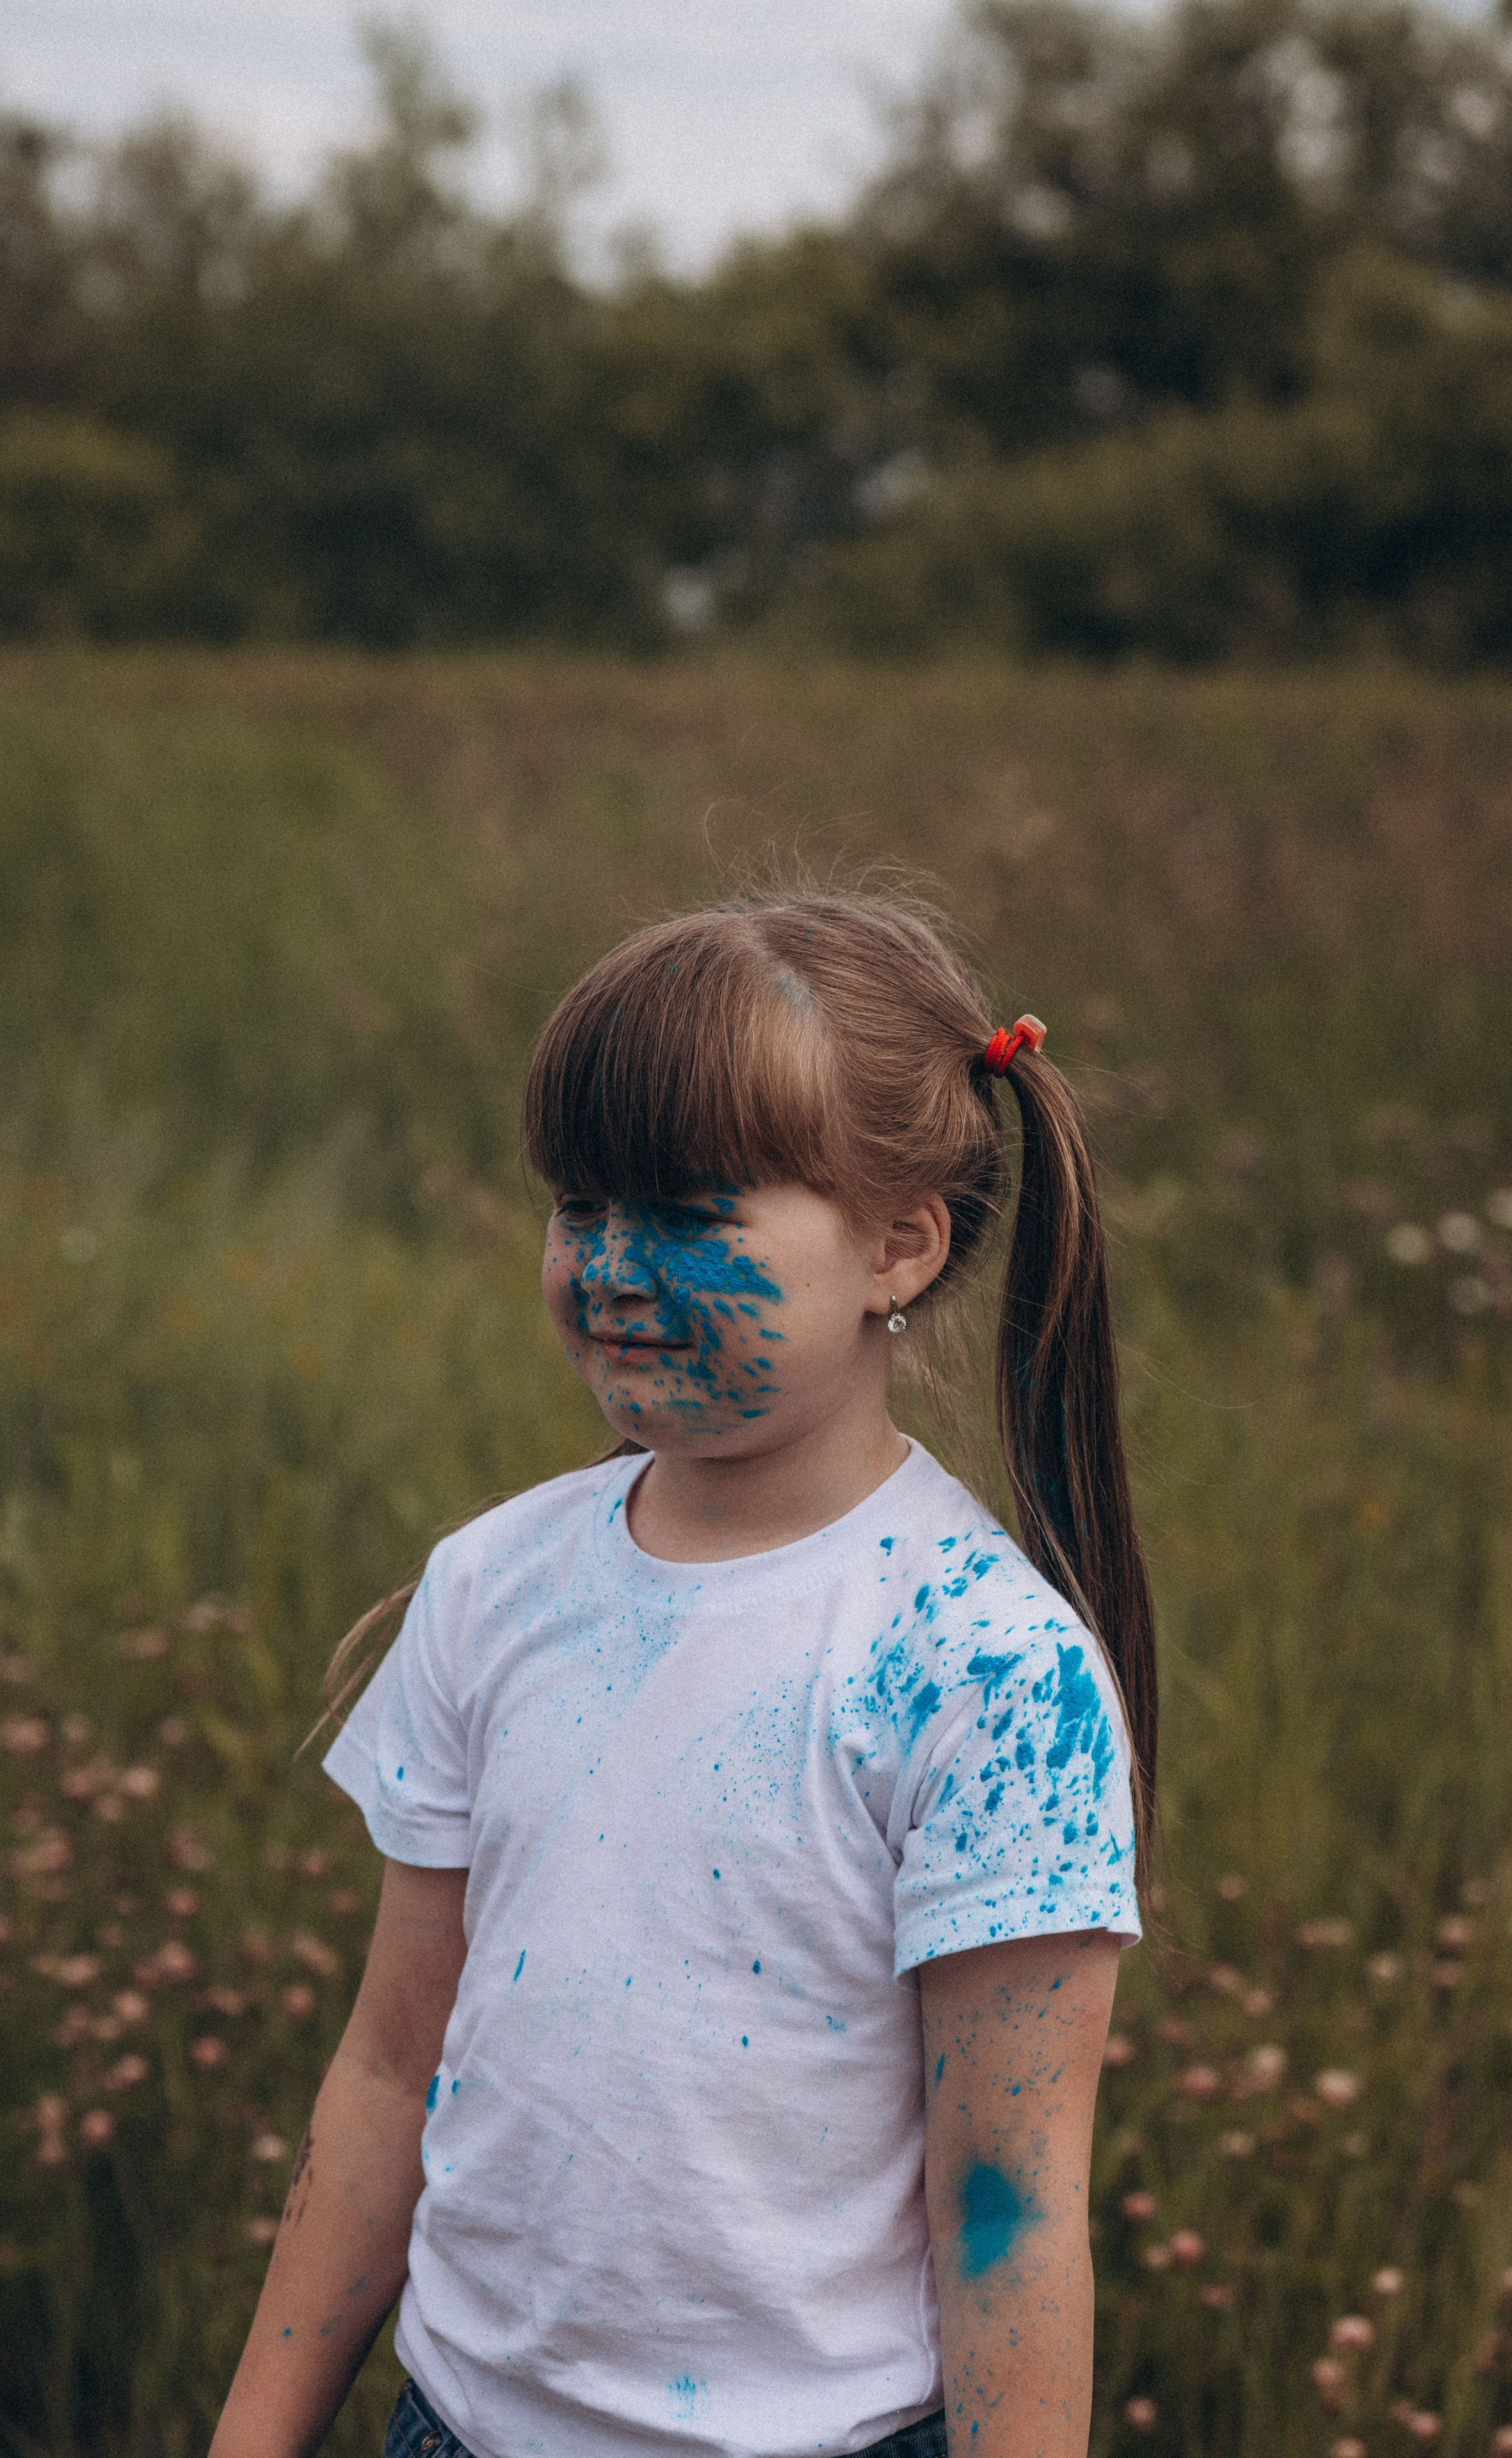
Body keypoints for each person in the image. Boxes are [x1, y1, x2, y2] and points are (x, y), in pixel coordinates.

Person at [209, 889, 1158, 2458]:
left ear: (896, 1245)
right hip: (455, 2425)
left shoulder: (983, 1667)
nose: (612, 1267)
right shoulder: (494, 1584)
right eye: (581, 1207)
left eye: (694, 1216)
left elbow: (1006, 2210)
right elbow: (387, 2074)